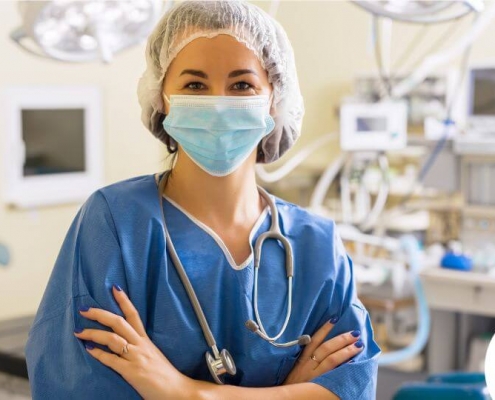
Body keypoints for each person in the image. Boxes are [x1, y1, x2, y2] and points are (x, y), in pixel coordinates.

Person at [25, 1, 381, 399]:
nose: (218, 103)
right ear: (161, 98)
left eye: (242, 85)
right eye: (195, 85)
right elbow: (79, 388)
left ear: (274, 98)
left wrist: (183, 391)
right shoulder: (114, 225)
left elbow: (352, 389)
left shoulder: (316, 246)